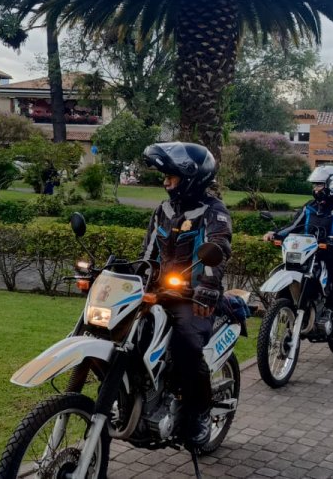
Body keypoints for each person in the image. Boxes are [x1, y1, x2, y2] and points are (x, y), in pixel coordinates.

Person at [139, 141, 232, 447]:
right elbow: (148, 254)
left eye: (172, 177)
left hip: (190, 297)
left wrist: (207, 288)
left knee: (188, 347)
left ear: (192, 177)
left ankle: (200, 412)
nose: (165, 182)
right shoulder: (162, 210)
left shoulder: (212, 211)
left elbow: (218, 248)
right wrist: (134, 276)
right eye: (165, 176)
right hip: (159, 294)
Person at [262, 165, 333, 343]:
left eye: (319, 185)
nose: (315, 188)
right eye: (314, 185)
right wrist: (275, 234)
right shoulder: (310, 207)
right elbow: (294, 226)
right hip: (307, 254)